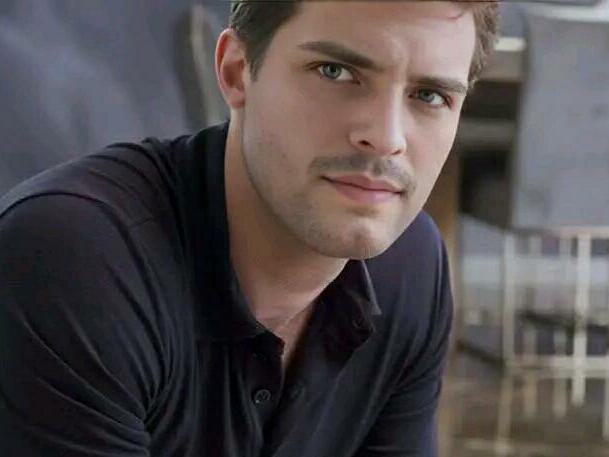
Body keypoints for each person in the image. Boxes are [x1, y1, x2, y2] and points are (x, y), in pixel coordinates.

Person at [0, 1, 498, 455]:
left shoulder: (410, 266)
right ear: (236, 71)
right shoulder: (75, 261)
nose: (386, 138)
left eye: (430, 95)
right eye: (336, 71)